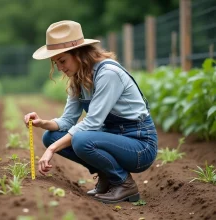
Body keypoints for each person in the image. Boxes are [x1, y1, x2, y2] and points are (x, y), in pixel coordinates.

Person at [24, 20, 158, 204]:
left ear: (79, 53)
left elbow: (92, 123)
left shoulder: (107, 73)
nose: (60, 68)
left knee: (80, 140)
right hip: (112, 138)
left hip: (139, 144)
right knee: (50, 136)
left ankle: (124, 184)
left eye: (63, 60)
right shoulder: (77, 79)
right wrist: (42, 122)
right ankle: (106, 175)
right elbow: (67, 120)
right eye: (56, 63)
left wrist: (52, 150)